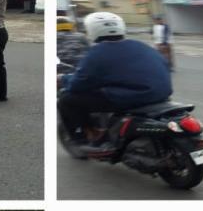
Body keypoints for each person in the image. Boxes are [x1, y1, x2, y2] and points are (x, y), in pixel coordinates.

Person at [58, 12, 172, 149]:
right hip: (162, 94)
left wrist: (63, 79)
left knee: (67, 100)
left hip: (131, 98)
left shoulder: (97, 52)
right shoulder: (142, 46)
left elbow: (78, 84)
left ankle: (87, 136)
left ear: (91, 30)